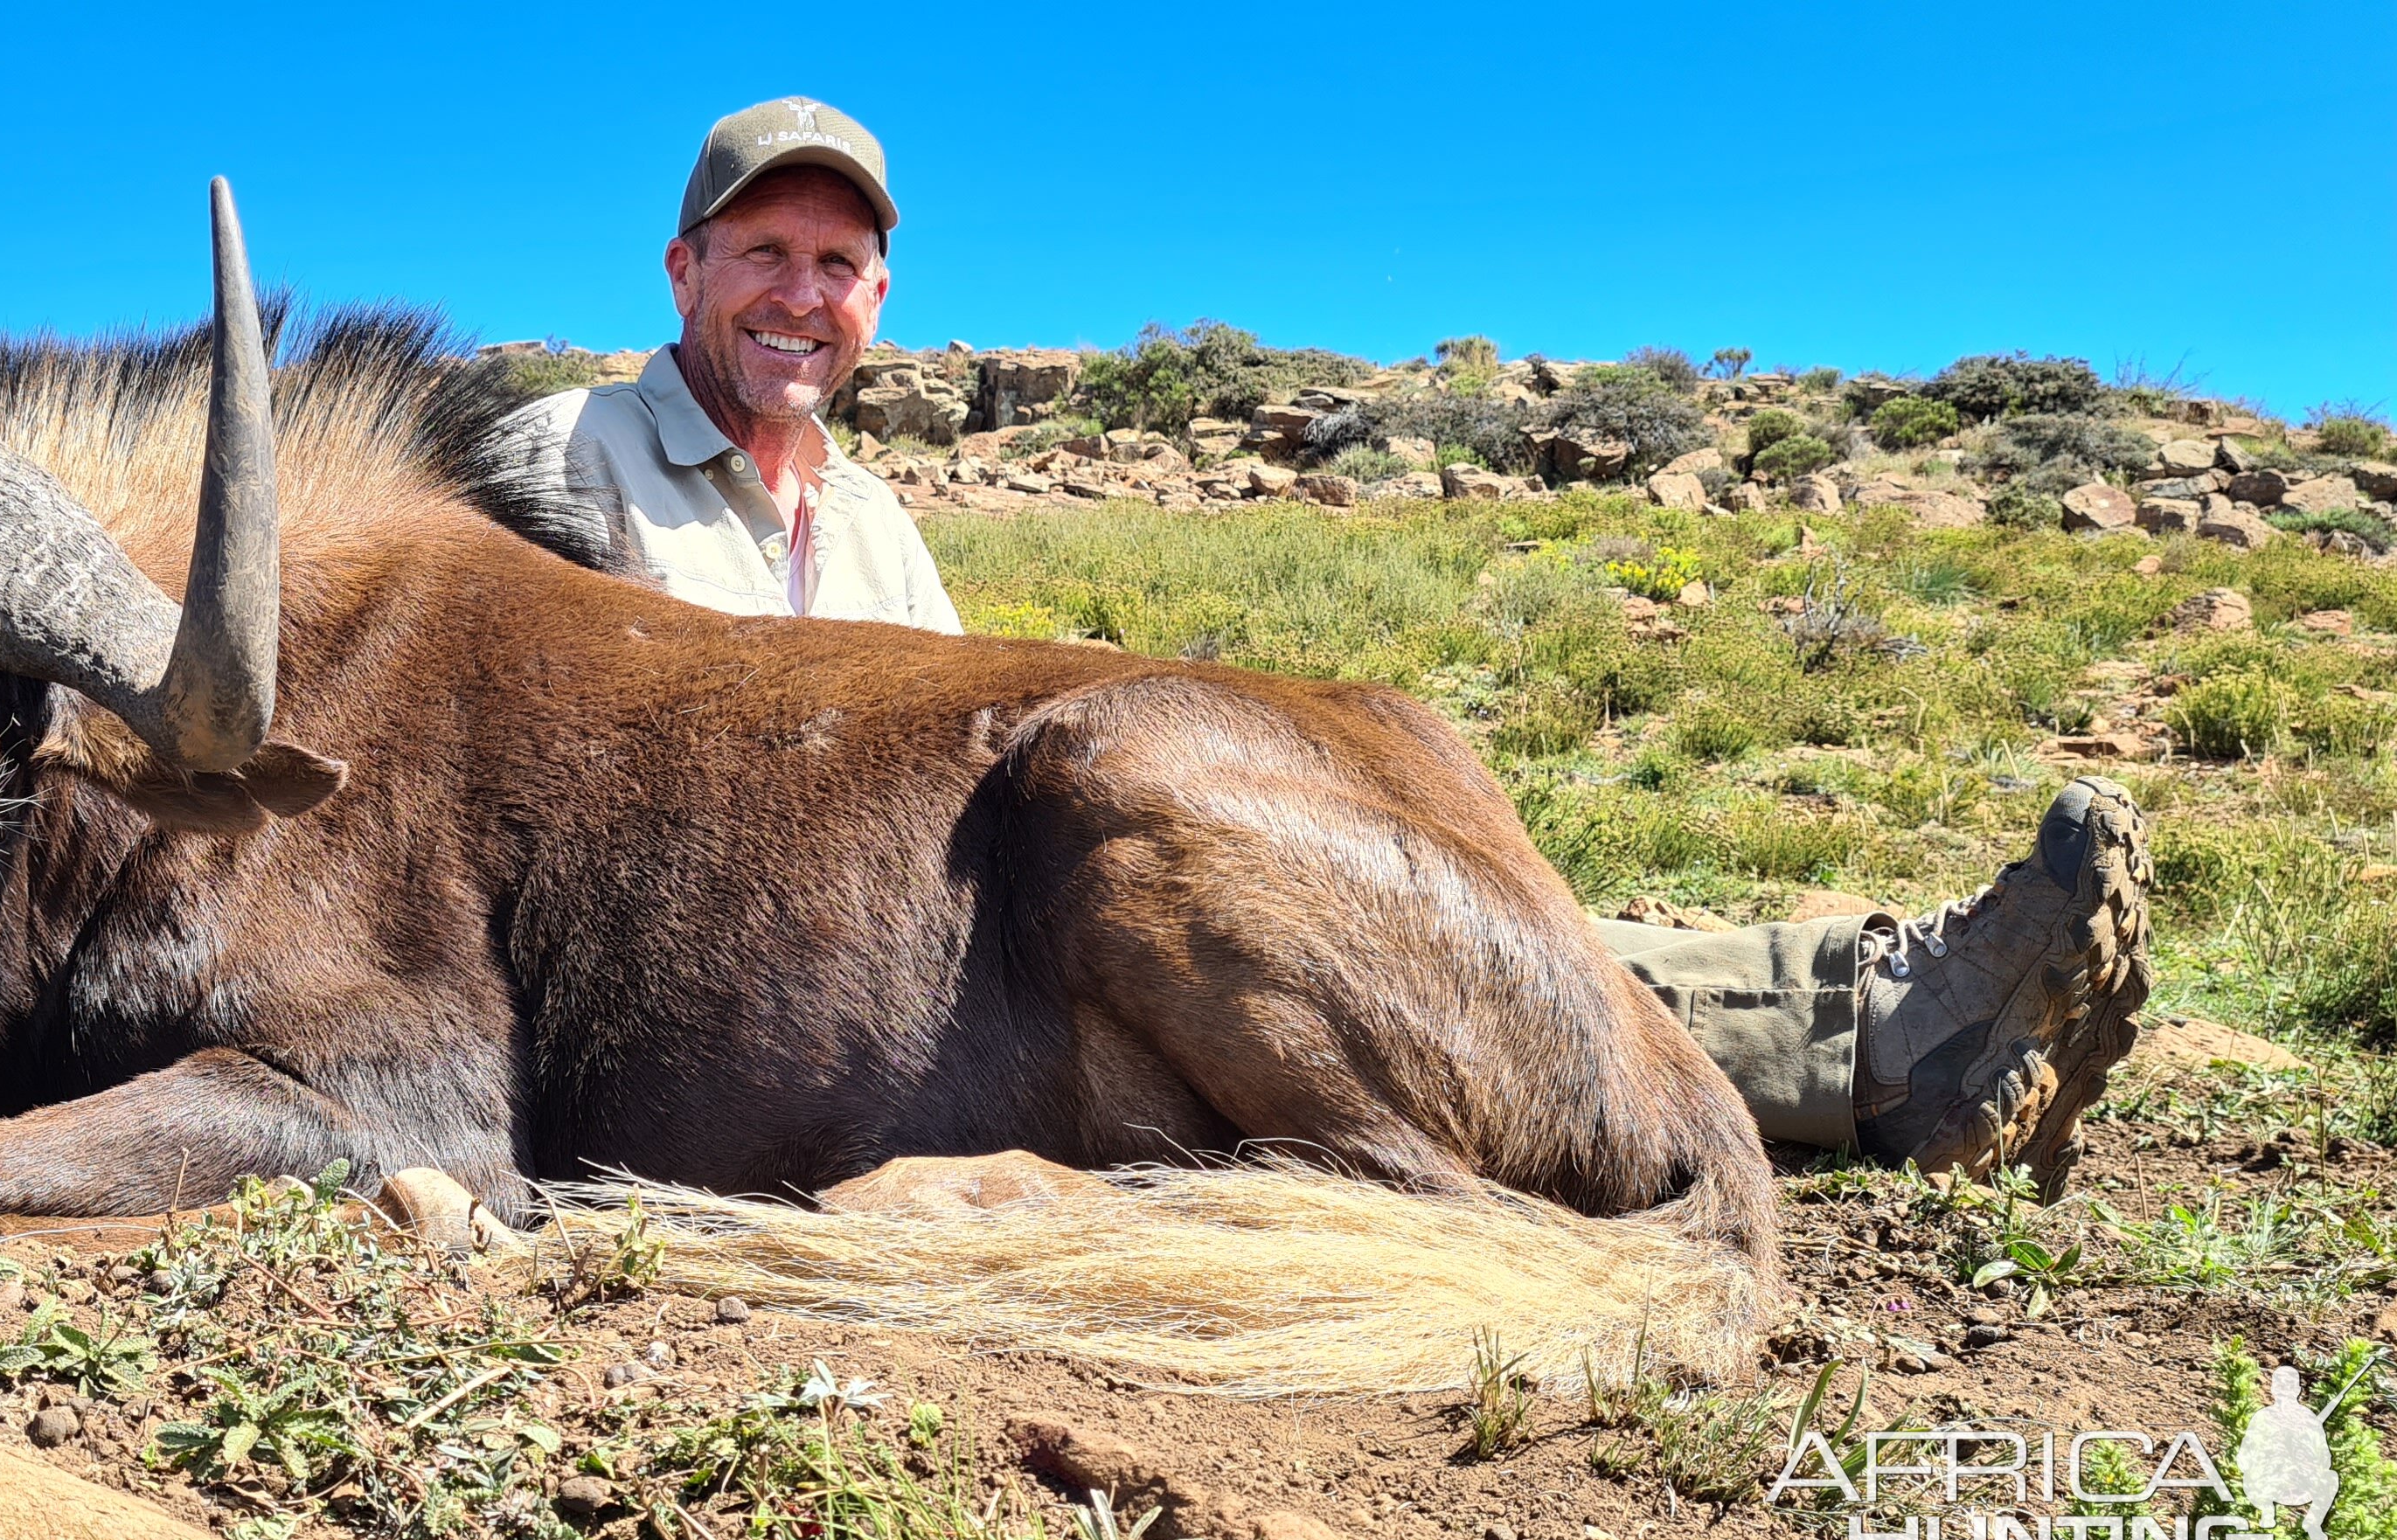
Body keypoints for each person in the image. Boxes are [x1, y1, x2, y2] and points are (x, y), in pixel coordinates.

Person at [506, 96, 2154, 1177]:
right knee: (1303, 925)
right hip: (747, 968)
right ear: (682, 269)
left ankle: (1868, 1005)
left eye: (840, 265)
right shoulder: (556, 461)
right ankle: (1877, 1033)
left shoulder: (872, 519)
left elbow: (936, 740)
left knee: (1368, 891)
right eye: (765, 255)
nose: (802, 293)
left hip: (932, 921)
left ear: (878, 302)